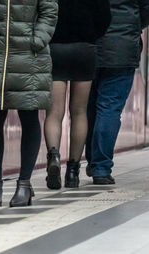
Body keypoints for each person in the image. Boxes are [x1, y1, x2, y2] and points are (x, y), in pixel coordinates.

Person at [0, 0, 58, 207]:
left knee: (29, 116)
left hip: (29, 56)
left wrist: (37, 40)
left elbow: (49, 11)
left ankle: (24, 185)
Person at [85, 0, 149, 185]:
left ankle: (88, 162)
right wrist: (133, 25)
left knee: (87, 108)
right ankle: (100, 167)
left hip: (88, 44)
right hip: (122, 48)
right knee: (109, 108)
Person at [44, 0, 111, 189]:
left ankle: (54, 156)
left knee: (54, 113)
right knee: (79, 111)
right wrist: (90, 35)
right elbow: (105, 17)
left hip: (55, 48)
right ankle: (73, 171)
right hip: (84, 49)